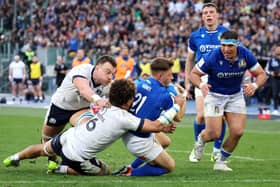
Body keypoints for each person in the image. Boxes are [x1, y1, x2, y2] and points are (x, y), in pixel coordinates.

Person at [3, 79, 177, 175]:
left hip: (68, 136)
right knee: (105, 171)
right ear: (128, 100)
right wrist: (172, 113)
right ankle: (61, 169)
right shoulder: (125, 118)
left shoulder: (106, 104)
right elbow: (153, 126)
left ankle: (15, 157)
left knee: (42, 149)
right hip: (77, 155)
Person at [190, 30, 266, 171]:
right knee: (214, 134)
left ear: (237, 44)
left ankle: (220, 162)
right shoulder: (212, 56)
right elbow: (194, 74)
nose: (226, 49)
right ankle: (201, 140)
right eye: (223, 45)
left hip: (235, 96)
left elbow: (261, 74)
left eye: (230, 46)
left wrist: (254, 85)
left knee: (237, 132)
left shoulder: (245, 54)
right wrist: (201, 85)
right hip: (215, 96)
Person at [113, 57, 186, 176]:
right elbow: (179, 117)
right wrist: (182, 97)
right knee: (169, 166)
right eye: (169, 75)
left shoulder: (141, 82)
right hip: (139, 140)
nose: (172, 78)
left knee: (165, 141)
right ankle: (131, 172)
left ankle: (130, 166)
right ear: (160, 76)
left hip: (130, 128)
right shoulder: (164, 95)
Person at [184, 2, 228, 162]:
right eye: (205, 13)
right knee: (201, 116)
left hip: (222, 79)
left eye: (211, 12)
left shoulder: (226, 34)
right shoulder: (195, 36)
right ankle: (198, 146)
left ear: (217, 15)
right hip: (201, 78)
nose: (208, 15)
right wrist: (187, 81)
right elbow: (189, 60)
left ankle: (217, 150)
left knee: (221, 117)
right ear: (202, 17)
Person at [41, 55, 116, 146]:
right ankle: (53, 154)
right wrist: (99, 100)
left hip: (81, 109)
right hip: (61, 106)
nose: (110, 77)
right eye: (107, 72)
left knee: (87, 131)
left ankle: (89, 159)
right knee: (47, 139)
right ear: (97, 68)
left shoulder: (107, 84)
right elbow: (84, 90)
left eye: (112, 74)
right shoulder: (82, 70)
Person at [267, 46, 280, 115]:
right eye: (277, 49)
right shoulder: (272, 59)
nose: (278, 50)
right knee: (275, 94)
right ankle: (275, 109)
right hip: (274, 79)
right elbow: (267, 70)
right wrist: (270, 72)